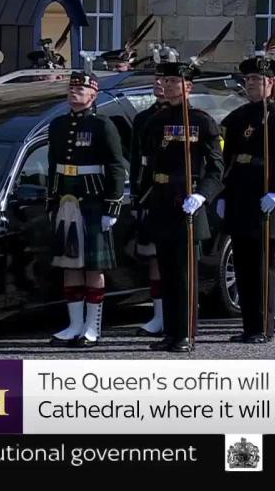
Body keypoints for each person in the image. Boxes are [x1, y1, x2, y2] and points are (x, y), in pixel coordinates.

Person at [137, 58, 224, 353]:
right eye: (165, 81)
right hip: (161, 201)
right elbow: (146, 163)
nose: (168, 85)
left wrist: (203, 195)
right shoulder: (155, 120)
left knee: (185, 275)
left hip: (187, 201)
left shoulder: (201, 121)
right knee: (166, 272)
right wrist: (143, 198)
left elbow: (216, 167)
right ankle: (170, 331)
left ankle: (185, 333)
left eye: (174, 82)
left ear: (187, 87)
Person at [219, 53, 275, 342]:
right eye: (248, 80)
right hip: (240, 195)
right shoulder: (240, 116)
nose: (251, 84)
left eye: (256, 79)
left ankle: (263, 327)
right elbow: (228, 158)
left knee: (263, 266)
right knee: (243, 264)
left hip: (267, 195)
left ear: (271, 83)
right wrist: (223, 193)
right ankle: (248, 326)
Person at [46, 71, 127, 348]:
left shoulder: (102, 125)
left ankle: (92, 327)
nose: (74, 92)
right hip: (66, 201)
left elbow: (116, 166)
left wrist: (112, 206)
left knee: (93, 266)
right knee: (70, 264)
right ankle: (74, 324)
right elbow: (52, 165)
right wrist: (51, 201)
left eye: (80, 89)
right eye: (71, 88)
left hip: (92, 201)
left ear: (93, 95)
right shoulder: (57, 125)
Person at [131, 77, 167, 337]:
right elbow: (136, 160)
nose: (159, 83)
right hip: (150, 193)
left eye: (166, 79)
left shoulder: (192, 118)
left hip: (178, 194)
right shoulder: (143, 118)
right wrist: (136, 194)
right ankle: (159, 315)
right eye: (157, 78)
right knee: (154, 257)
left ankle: (177, 314)